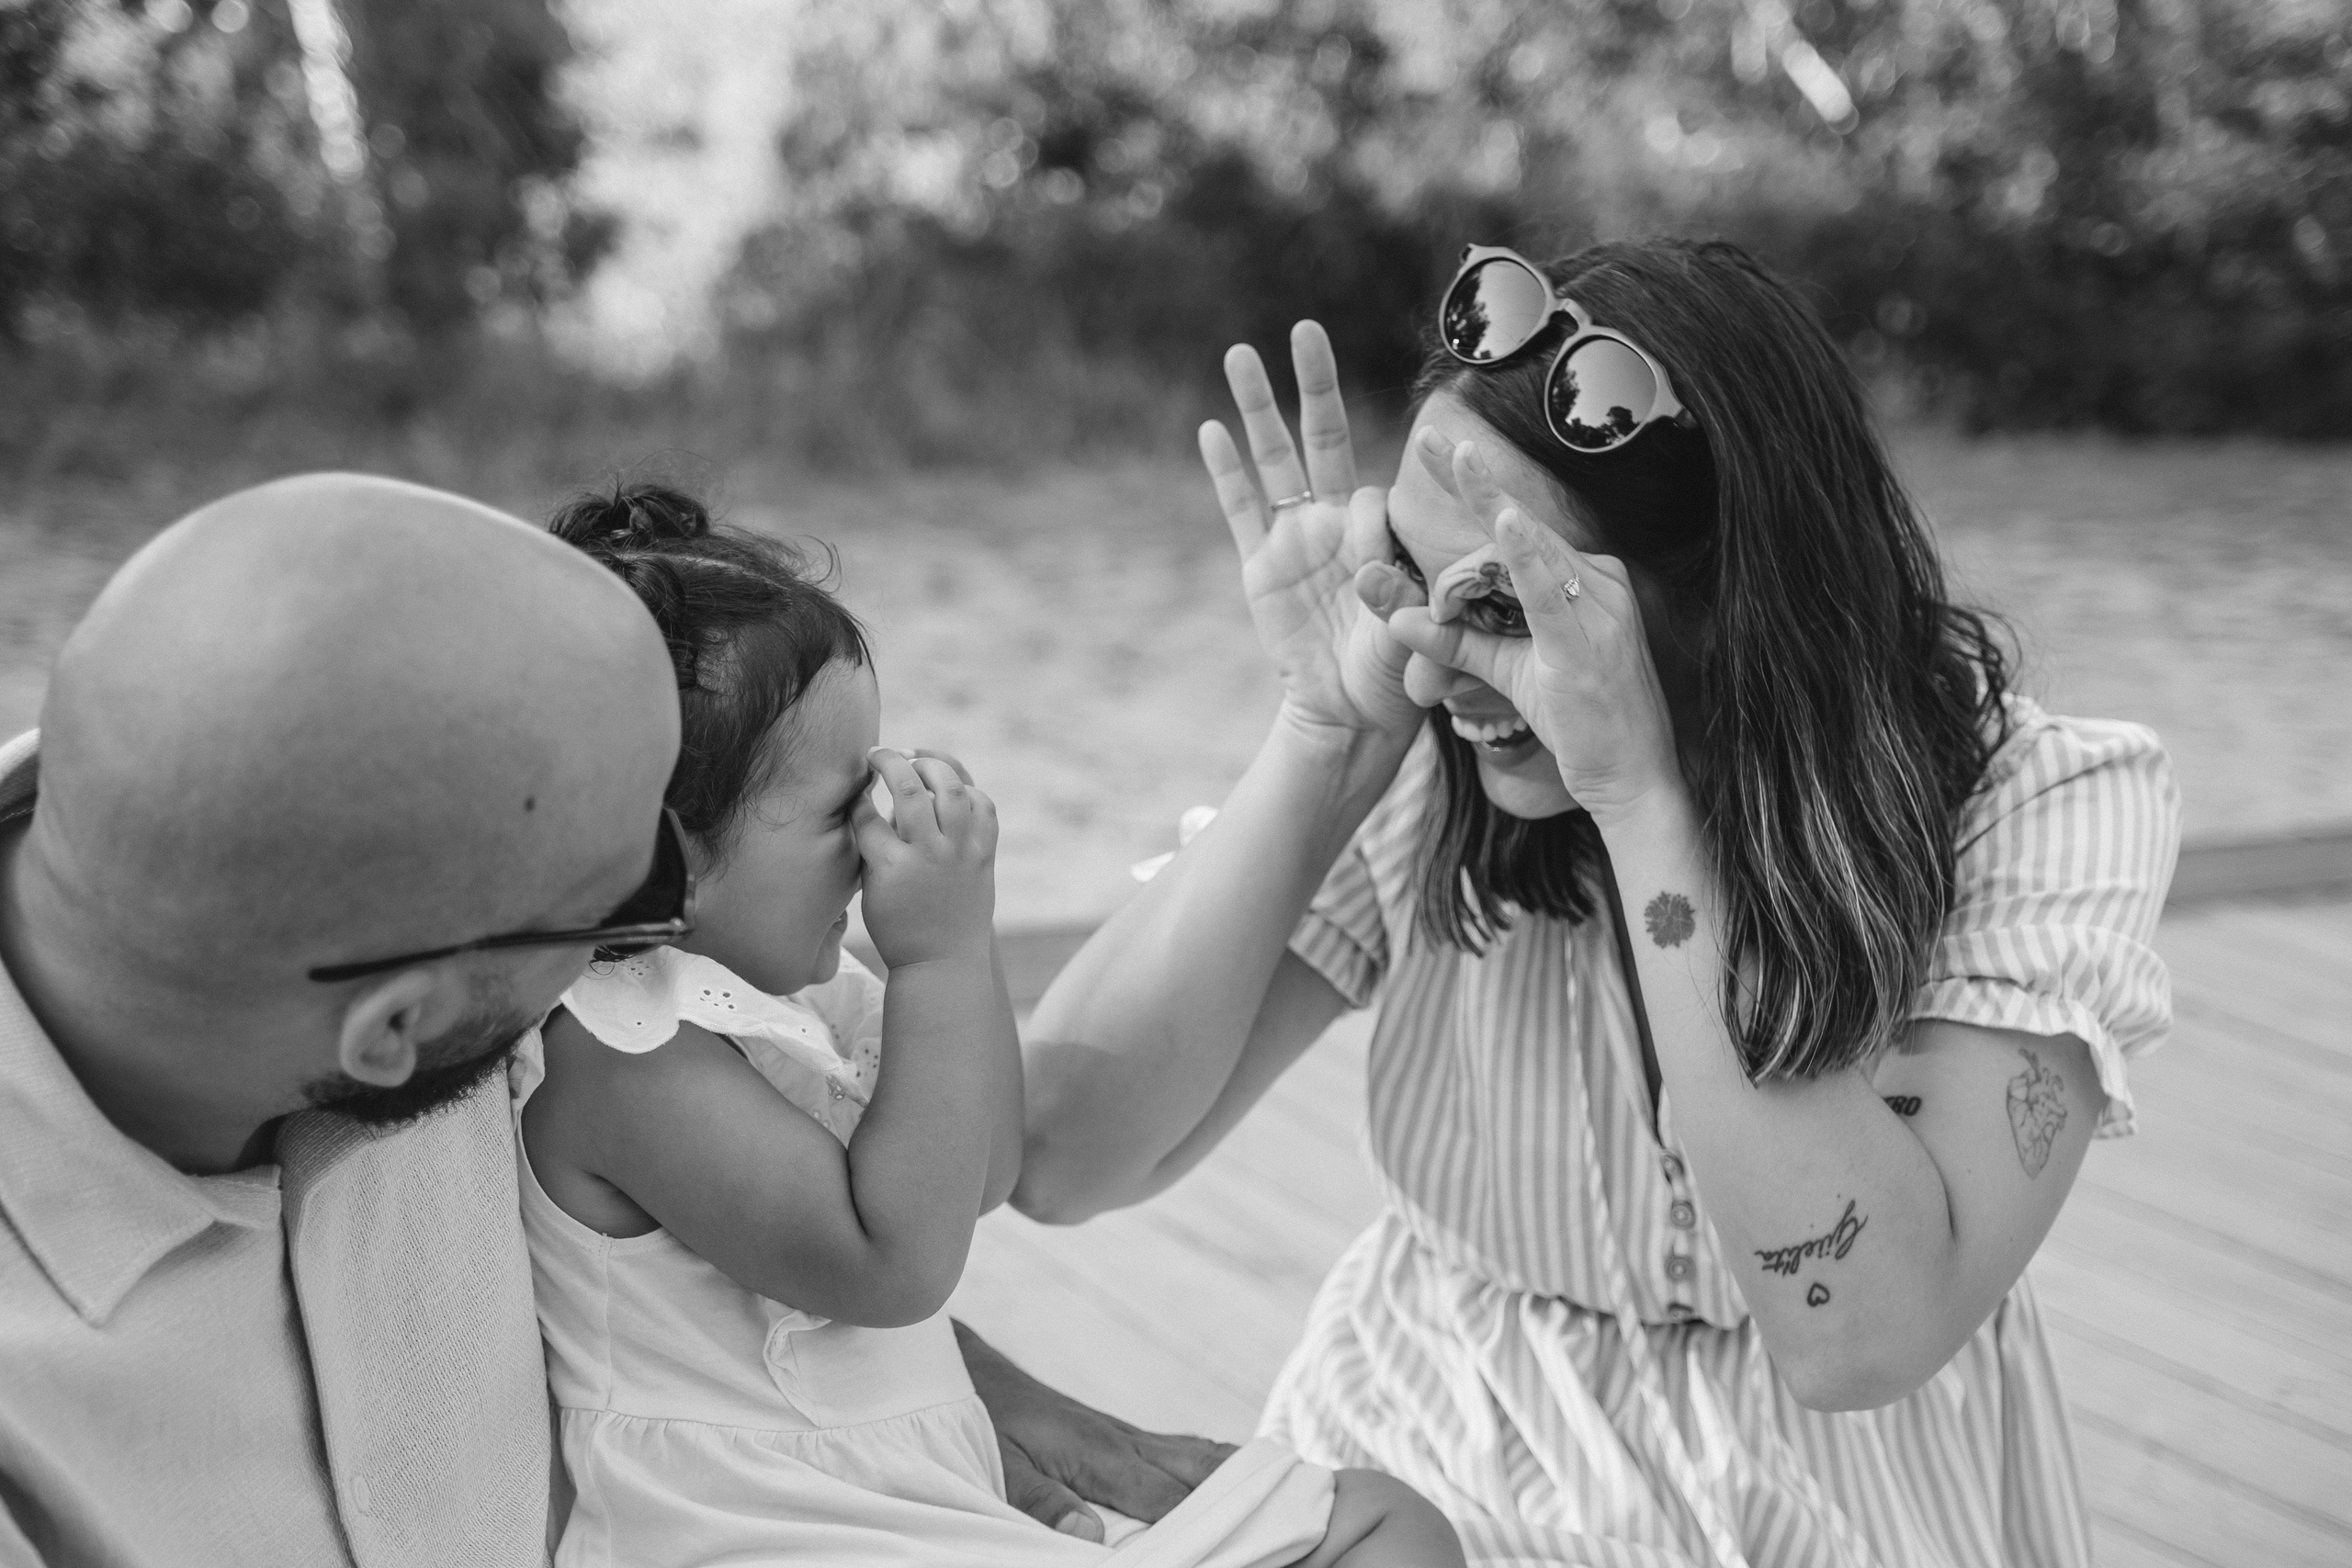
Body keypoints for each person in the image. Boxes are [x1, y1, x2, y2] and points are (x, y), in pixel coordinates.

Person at [1015, 241, 2181, 1567]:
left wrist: (1643, 798)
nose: (1445, 654)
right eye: (1411, 565)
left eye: (1508, 601)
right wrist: (1323, 735)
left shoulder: (2040, 797)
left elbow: (1858, 1334)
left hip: (1851, 1502)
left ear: (1729, 593)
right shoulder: (1422, 749)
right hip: (1441, 1460)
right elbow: (1061, 1153)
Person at [0, 473, 1260, 1566]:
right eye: (634, 908)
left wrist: (1006, 1403)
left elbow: (755, 1254)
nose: (640, 965)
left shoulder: (319, 806)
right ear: (397, 1030)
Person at [518, 485, 1463, 1568]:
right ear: (667, 857)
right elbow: (893, 1265)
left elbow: (987, 1169)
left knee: (1382, 1524)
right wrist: (943, 953)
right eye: (841, 809)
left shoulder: (788, 1002)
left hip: (915, 1509)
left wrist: (937, 968)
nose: (878, 831)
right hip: (774, 1534)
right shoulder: (616, 1051)